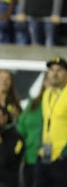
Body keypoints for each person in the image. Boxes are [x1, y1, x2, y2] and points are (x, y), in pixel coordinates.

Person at [38, 57, 67, 187]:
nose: (54, 73)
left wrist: (65, 152)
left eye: (59, 70)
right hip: (46, 154)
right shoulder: (47, 94)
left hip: (62, 157)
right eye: (51, 70)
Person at [17, 73, 47, 187]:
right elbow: (21, 130)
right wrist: (21, 155)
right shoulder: (33, 104)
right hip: (31, 158)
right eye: (47, 80)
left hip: (56, 160)